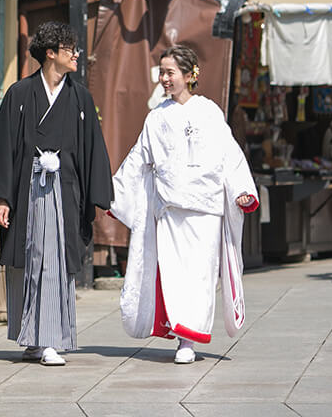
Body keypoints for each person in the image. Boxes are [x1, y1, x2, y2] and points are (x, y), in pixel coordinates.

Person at [0, 21, 114, 366]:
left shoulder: (79, 97)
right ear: (50, 53)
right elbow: (4, 147)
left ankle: (49, 338)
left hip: (63, 192)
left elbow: (92, 147)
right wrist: (2, 197)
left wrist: (97, 197)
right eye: (70, 50)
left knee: (51, 259)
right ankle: (33, 339)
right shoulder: (20, 95)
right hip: (26, 189)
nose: (77, 56)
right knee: (28, 260)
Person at [109, 45, 259, 364]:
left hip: (204, 211)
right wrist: (112, 193)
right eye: (161, 72)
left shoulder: (209, 112)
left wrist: (242, 190)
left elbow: (229, 155)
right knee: (176, 276)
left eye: (170, 72)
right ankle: (182, 339)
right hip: (171, 210)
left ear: (190, 76)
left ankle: (190, 338)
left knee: (201, 276)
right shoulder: (156, 117)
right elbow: (138, 160)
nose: (163, 78)